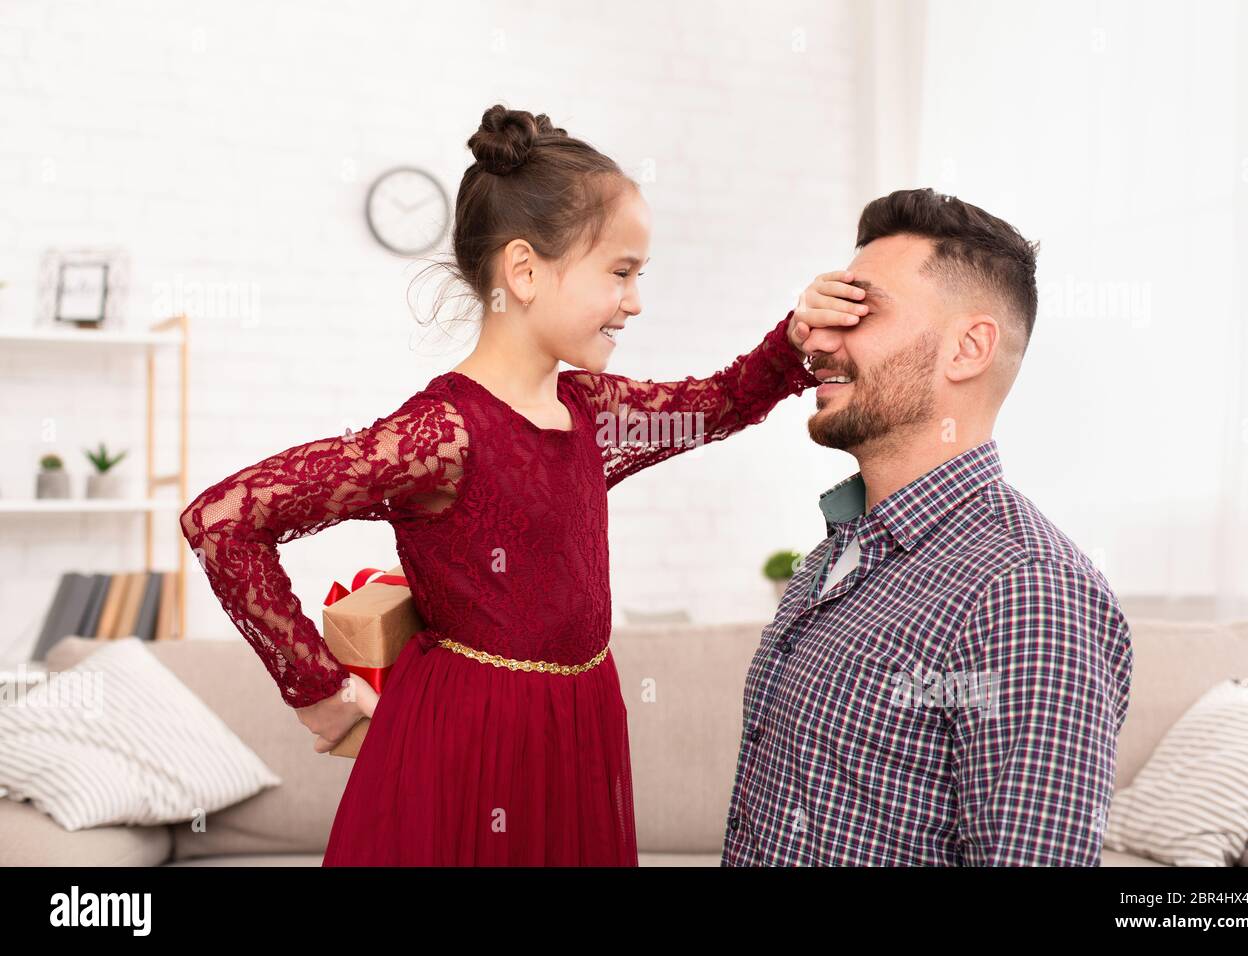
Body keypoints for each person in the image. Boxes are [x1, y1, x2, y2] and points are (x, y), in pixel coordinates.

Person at [180, 105, 852, 866]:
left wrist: (796, 338)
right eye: (621, 274)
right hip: (467, 749)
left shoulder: (592, 413)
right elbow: (221, 519)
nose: (635, 301)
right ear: (526, 272)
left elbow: (719, 403)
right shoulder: (440, 433)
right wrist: (316, 688)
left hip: (583, 729)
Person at [722, 188, 1135, 866]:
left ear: (968, 349)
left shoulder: (1026, 592)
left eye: (860, 310)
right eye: (826, 310)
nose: (818, 340)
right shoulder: (836, 559)